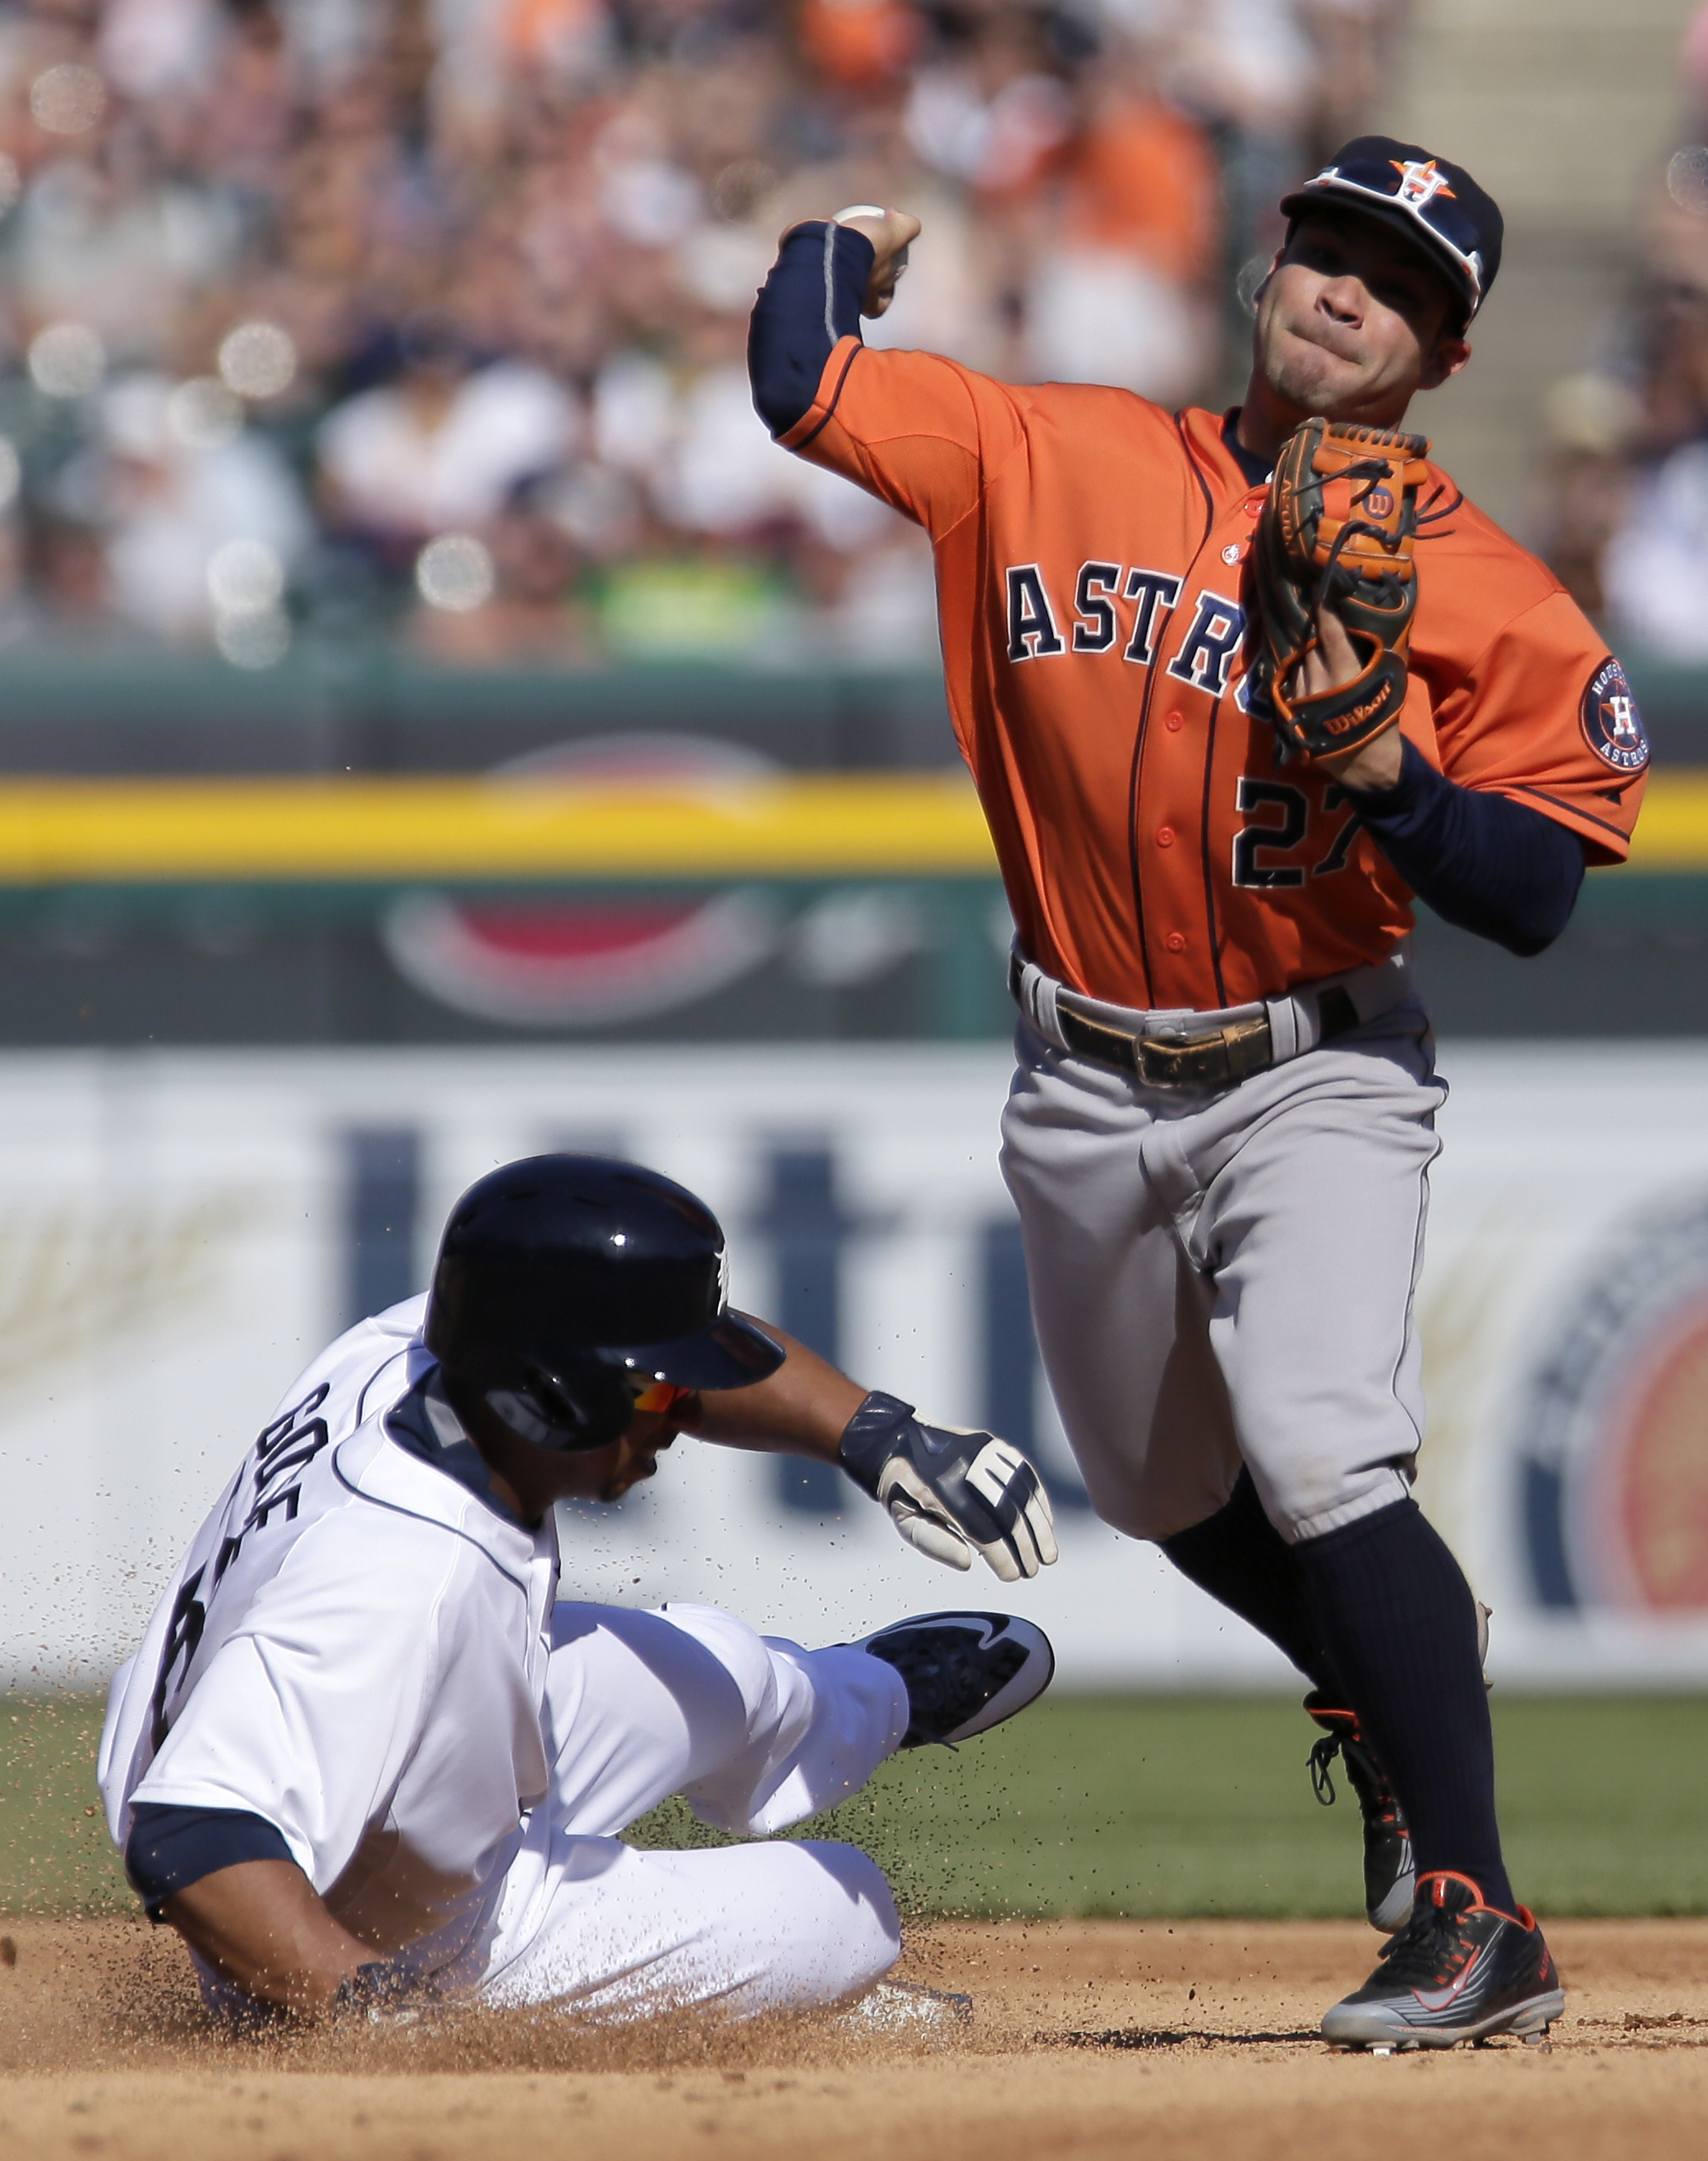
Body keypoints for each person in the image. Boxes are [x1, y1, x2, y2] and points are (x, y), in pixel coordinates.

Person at [748, 138, 1649, 2049]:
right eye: (1326, 246)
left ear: (1448, 346)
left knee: (1325, 1455)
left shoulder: (1485, 589)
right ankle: (1385, 1675)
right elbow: (800, 380)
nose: (1345, 288)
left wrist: (1401, 780)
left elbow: (1545, 895)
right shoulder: (1042, 449)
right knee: (1164, 1487)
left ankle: (1482, 1917)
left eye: (1396, 279)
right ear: (1270, 266)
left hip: (1310, 1066)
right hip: (1079, 1071)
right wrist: (843, 241)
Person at [99, 1154, 1057, 2026]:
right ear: (552, 1391)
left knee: (725, 1667)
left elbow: (656, 1342)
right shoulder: (400, 1573)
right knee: (848, 1909)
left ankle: (876, 1697)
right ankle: (751, 2012)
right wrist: (372, 2013)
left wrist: (877, 1433)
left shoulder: (419, 1352)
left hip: (403, 1756)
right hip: (373, 1922)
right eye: (660, 1394)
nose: (681, 1415)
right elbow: (188, 1833)